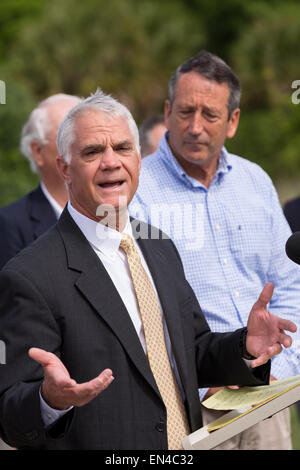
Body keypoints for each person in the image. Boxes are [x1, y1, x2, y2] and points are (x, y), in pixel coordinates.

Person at [0, 89, 295, 451]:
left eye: (123, 148)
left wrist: (243, 346)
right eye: (93, 152)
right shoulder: (30, 276)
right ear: (64, 169)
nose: (111, 162)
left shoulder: (158, 245)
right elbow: (10, 417)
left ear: (139, 159)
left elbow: (194, 350)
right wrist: (50, 400)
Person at [129, 51, 300, 450]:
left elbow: (291, 285)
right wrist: (196, 382)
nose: (195, 127)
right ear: (168, 111)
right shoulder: (136, 192)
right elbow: (137, 311)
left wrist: (283, 370)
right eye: (185, 112)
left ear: (234, 121)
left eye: (210, 115)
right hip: (193, 407)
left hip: (269, 397)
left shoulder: (255, 181)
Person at [0, 93, 82, 270]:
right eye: (68, 136)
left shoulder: (113, 213)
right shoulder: (11, 225)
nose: (83, 145)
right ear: (38, 151)